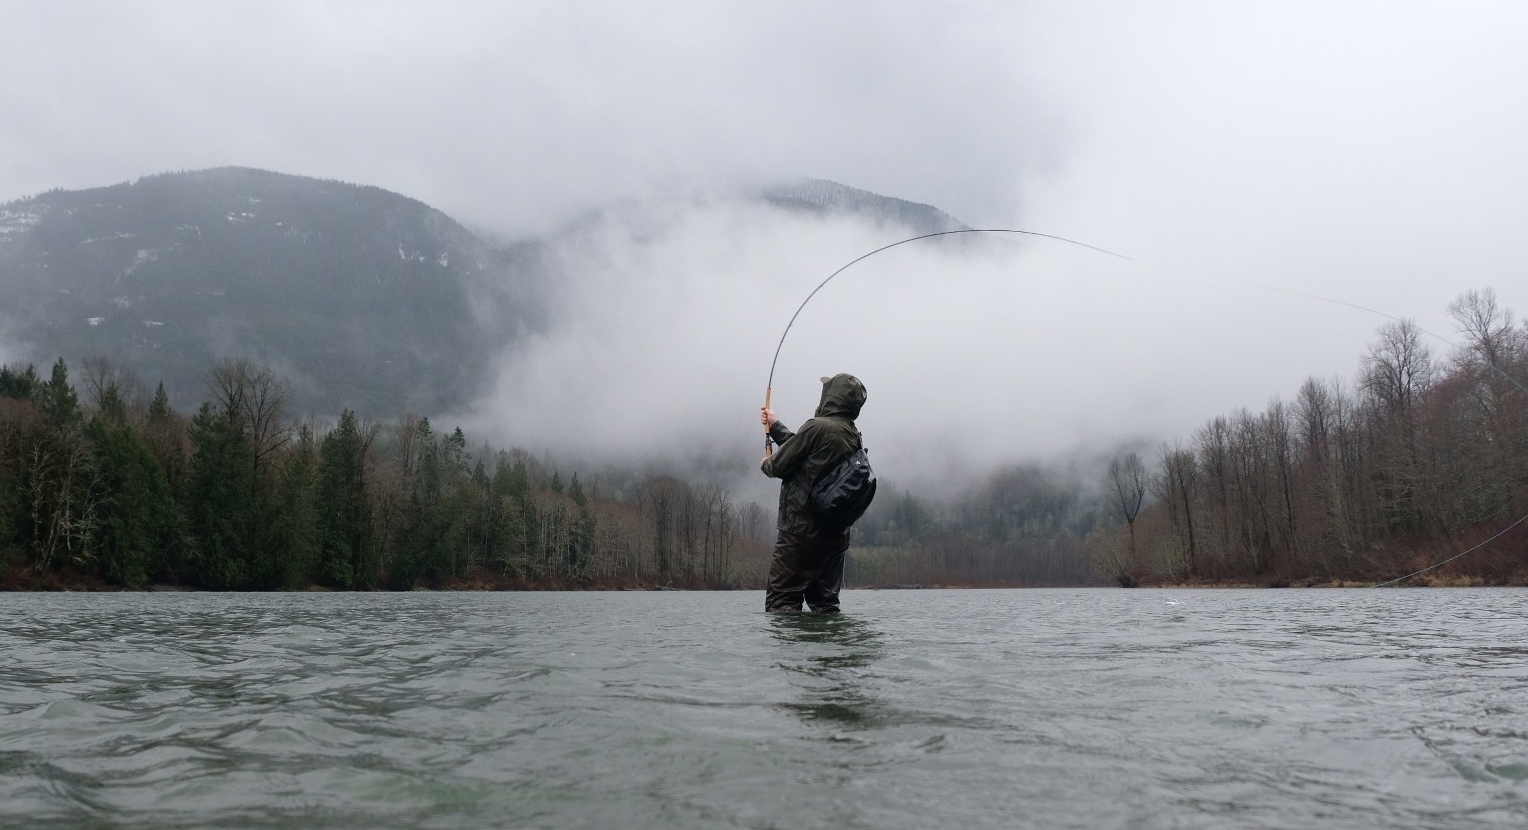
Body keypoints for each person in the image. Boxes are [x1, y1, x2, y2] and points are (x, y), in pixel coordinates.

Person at [758, 373, 867, 613]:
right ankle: (831, 650)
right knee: (825, 605)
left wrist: (766, 462)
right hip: (835, 539)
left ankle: (792, 653)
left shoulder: (817, 427)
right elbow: (805, 451)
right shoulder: (852, 435)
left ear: (831, 397)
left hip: (800, 534)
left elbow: (780, 465)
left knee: (782, 603)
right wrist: (776, 427)